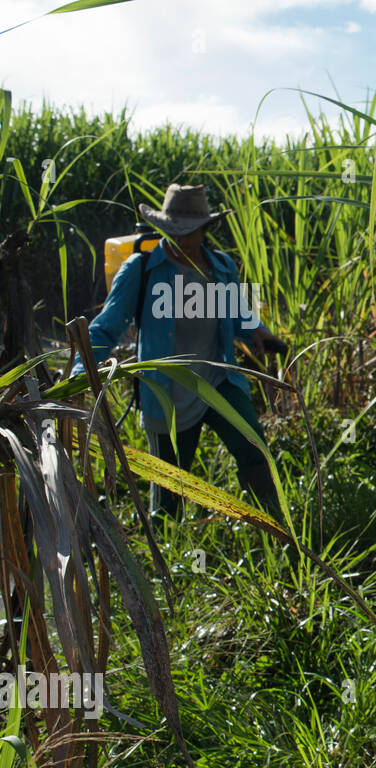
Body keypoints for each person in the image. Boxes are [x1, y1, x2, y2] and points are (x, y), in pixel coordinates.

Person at [70, 183, 289, 526]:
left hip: (219, 380)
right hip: (167, 392)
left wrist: (259, 332)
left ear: (204, 230)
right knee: (170, 492)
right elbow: (107, 327)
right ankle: (164, 562)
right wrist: (80, 369)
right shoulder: (140, 270)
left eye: (187, 232)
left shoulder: (222, 267)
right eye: (172, 231)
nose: (178, 239)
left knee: (255, 450)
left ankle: (276, 527)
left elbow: (237, 315)